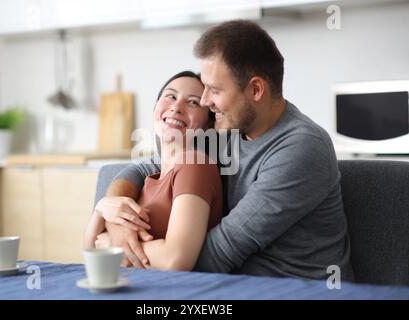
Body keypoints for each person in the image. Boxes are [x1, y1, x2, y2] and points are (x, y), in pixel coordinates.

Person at [94, 20, 354, 281]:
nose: (206, 101)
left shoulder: (300, 147)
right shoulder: (227, 130)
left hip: (296, 290)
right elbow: (146, 166)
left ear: (255, 89)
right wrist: (117, 215)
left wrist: (117, 248)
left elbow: (216, 255)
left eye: (215, 90)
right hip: (234, 283)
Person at [84, 71, 223, 271]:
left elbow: (175, 260)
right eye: (170, 96)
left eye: (193, 102)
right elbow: (91, 250)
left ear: (209, 124)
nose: (176, 107)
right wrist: (102, 207)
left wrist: (116, 248)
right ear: (155, 108)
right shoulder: (148, 179)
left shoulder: (196, 164)